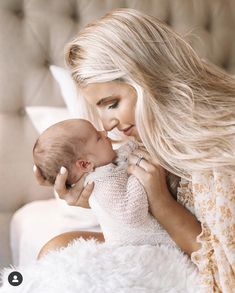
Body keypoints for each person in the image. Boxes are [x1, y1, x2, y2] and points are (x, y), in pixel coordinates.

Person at [34, 8, 235, 292]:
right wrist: (92, 196)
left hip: (196, 250)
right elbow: (126, 208)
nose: (106, 123)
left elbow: (223, 267)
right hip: (162, 240)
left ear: (151, 79)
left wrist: (160, 200)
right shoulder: (143, 136)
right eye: (98, 109)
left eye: (112, 103)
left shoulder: (216, 149)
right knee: (54, 249)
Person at [33, 118, 176, 247]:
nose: (104, 133)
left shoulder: (107, 164)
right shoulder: (102, 185)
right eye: (98, 137)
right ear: (85, 164)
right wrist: (137, 175)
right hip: (143, 245)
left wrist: (142, 141)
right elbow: (130, 215)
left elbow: (127, 152)